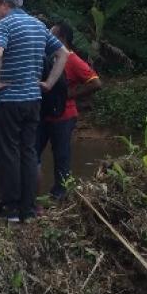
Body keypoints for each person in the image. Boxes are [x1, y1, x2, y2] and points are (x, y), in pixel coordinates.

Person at [0, 0, 69, 223]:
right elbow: (63, 54)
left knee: (9, 153)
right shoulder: (38, 25)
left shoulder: (5, 24)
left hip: (8, 99)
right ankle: (29, 208)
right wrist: (49, 83)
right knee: (29, 152)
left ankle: (12, 208)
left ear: (4, 4)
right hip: (33, 99)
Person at [37, 22, 101, 199]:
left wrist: (70, 94)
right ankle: (36, 193)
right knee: (33, 152)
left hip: (64, 116)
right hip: (45, 114)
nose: (47, 38)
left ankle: (61, 194)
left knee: (61, 156)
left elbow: (95, 83)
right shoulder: (49, 57)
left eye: (52, 35)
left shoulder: (72, 59)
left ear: (62, 38)